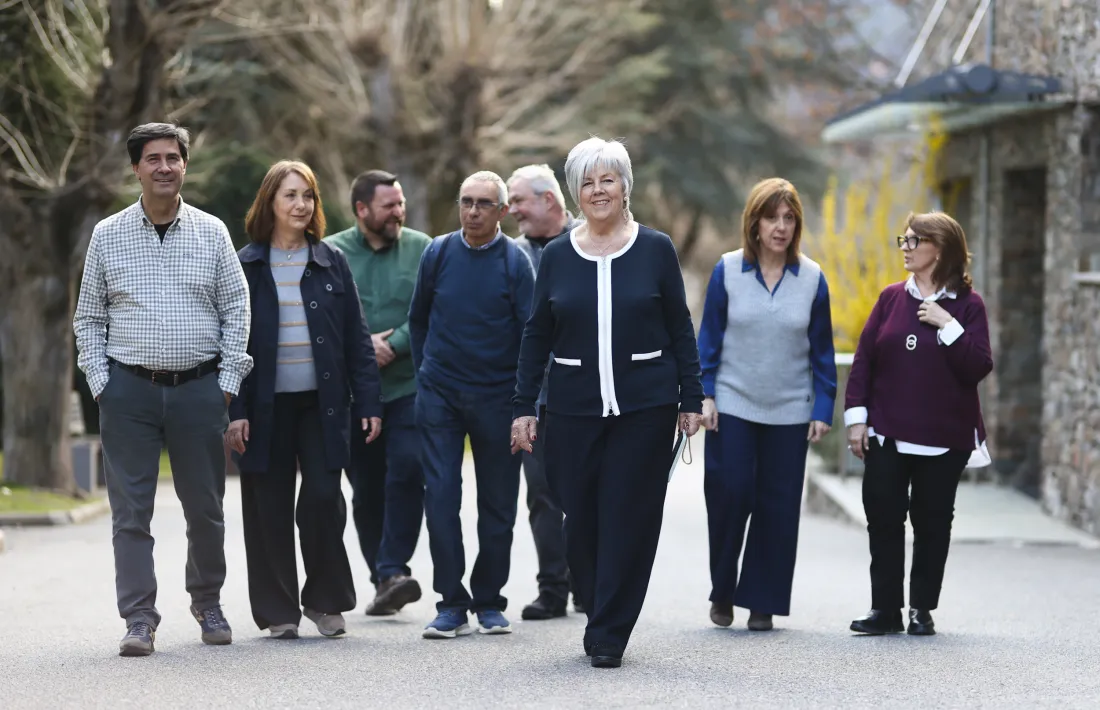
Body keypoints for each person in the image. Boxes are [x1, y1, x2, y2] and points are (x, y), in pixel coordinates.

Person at [511, 137, 703, 668]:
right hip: (571, 409)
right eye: (588, 182)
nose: (598, 190)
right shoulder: (556, 255)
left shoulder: (655, 248)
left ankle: (610, 630)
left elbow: (679, 327)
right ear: (575, 193)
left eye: (607, 180)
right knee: (582, 520)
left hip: (646, 408)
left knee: (631, 516)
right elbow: (536, 334)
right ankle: (599, 604)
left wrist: (693, 395)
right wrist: (524, 405)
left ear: (624, 187)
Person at [73, 122, 252, 657]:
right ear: (136, 168)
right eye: (153, 158)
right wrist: (102, 383)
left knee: (206, 508)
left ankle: (208, 601)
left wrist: (225, 383)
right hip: (128, 391)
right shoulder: (108, 234)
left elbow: (238, 309)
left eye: (173, 157)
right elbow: (88, 319)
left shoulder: (212, 232)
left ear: (184, 165)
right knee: (131, 513)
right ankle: (139, 618)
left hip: (200, 390)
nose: (164, 167)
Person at [226, 160, 384, 640]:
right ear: (270, 201)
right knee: (267, 505)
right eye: (290, 195)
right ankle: (278, 610)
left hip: (323, 405)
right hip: (263, 408)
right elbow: (229, 341)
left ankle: (325, 600)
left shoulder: (331, 260)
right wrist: (235, 411)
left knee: (322, 498)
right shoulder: (245, 262)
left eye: (308, 196)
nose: (301, 204)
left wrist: (370, 403)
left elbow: (356, 338)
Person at [696, 178, 837, 632]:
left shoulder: (813, 278)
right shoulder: (727, 270)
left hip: (790, 410)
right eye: (771, 217)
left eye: (789, 218)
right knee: (730, 494)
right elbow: (709, 340)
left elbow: (821, 351)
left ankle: (762, 601)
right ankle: (723, 589)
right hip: (734, 403)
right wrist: (706, 393)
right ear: (754, 223)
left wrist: (821, 406)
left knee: (777, 507)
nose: (780, 226)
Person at [845, 211, 992, 636]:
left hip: (943, 440)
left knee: (932, 524)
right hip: (888, 433)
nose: (905, 248)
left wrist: (948, 325)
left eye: (913, 241)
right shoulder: (891, 298)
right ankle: (885, 610)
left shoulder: (968, 305)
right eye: (904, 240)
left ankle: (921, 609)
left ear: (939, 249)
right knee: (884, 519)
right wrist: (858, 420)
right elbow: (864, 360)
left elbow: (978, 367)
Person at [408, 170, 535, 638]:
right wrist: (426, 375)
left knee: (498, 505)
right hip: (440, 395)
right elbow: (418, 319)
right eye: (467, 202)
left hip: (499, 399)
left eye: (484, 203)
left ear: (502, 211)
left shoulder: (515, 263)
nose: (473, 211)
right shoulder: (438, 253)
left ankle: (489, 601)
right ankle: (451, 604)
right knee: (440, 498)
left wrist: (526, 403)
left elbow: (531, 335)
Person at [326, 170, 432, 616]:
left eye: (401, 202)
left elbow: (430, 309)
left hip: (409, 385)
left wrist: (396, 343)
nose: (399, 212)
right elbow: (322, 318)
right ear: (361, 210)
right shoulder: (330, 252)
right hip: (354, 394)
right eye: (389, 205)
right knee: (366, 489)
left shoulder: (424, 248)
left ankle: (392, 568)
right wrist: (362, 346)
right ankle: (385, 578)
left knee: (408, 469)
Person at [506, 164, 583, 620]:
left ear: (549, 200)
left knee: (586, 494)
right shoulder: (512, 256)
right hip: (533, 397)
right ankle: (552, 588)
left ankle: (587, 583)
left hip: (584, 396)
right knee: (541, 494)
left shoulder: (584, 246)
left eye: (518, 201)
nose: (510, 210)